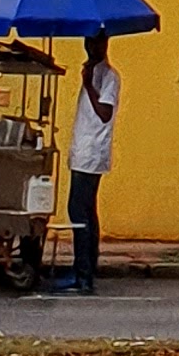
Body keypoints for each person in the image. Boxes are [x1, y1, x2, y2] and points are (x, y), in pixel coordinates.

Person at [63, 30, 120, 293]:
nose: (90, 47)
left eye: (95, 42)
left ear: (104, 44)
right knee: (86, 210)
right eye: (87, 42)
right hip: (82, 150)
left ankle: (83, 274)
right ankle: (88, 265)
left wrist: (88, 85)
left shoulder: (109, 76)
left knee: (78, 212)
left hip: (91, 153)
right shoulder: (92, 71)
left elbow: (104, 113)